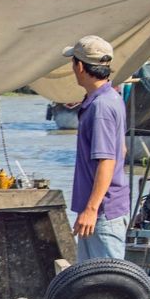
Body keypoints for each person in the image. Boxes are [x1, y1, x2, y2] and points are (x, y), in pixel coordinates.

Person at [62, 35, 129, 261]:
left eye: (73, 63)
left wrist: (91, 209)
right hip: (101, 211)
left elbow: (107, 160)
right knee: (91, 287)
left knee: (109, 285)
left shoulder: (100, 107)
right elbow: (122, 151)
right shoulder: (111, 97)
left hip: (101, 213)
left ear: (80, 66)